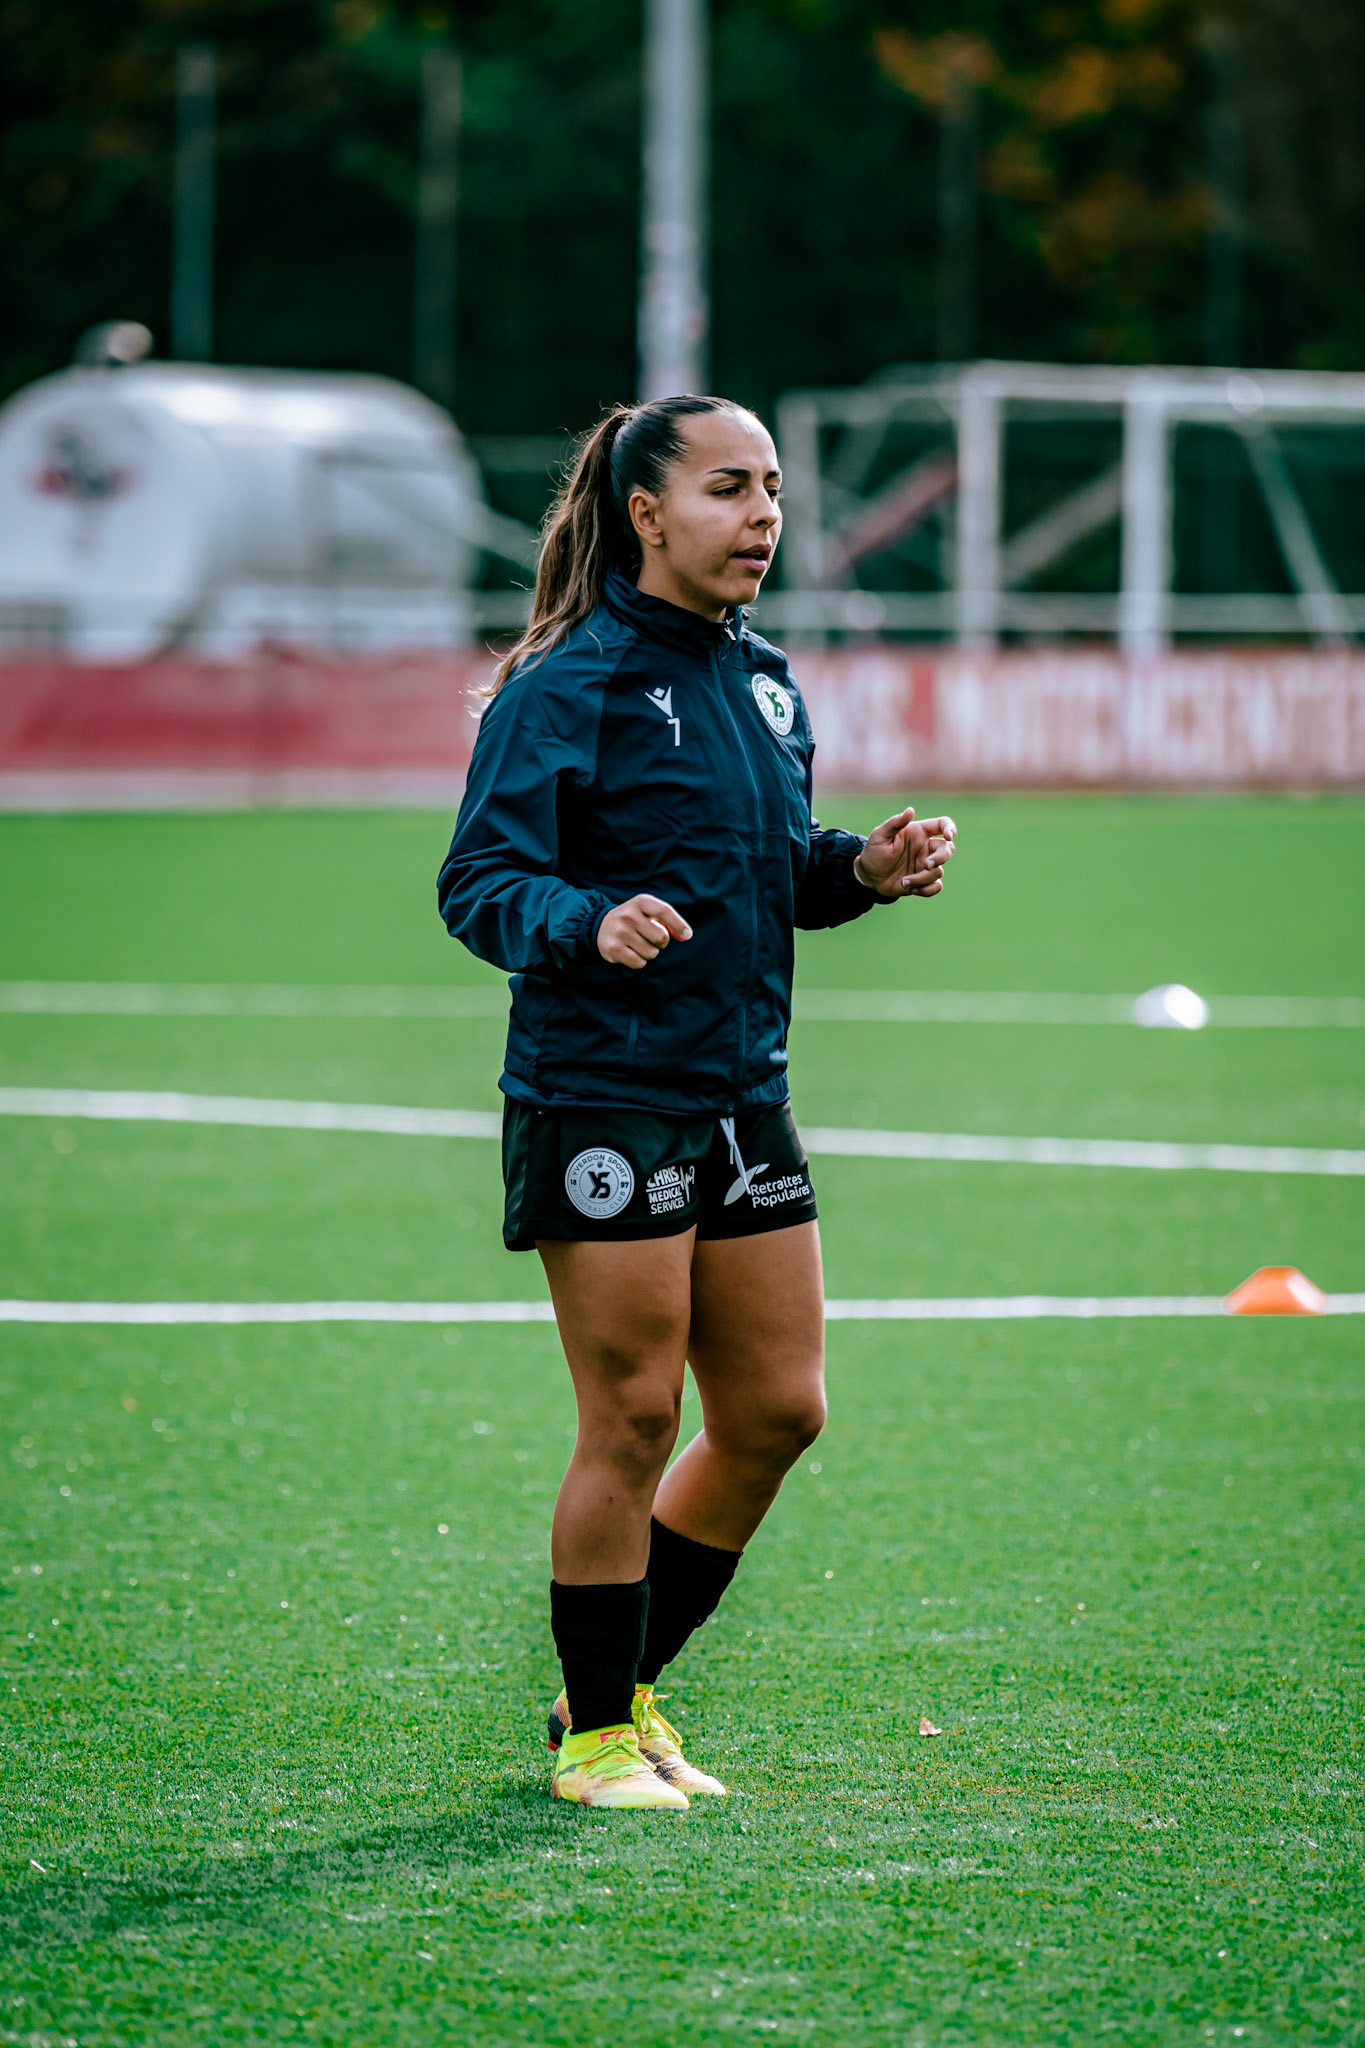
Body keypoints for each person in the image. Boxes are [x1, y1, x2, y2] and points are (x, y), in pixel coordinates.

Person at [438, 394, 955, 1810]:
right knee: (631, 1420)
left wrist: (858, 871)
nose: (764, 516)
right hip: (603, 1097)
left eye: (775, 489)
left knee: (779, 1411)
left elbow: (766, 873)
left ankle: (610, 1695)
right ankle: (598, 1737)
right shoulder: (566, 682)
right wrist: (586, 923)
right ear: (647, 514)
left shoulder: (768, 680)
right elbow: (479, 886)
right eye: (730, 489)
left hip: (740, 1095)